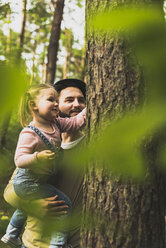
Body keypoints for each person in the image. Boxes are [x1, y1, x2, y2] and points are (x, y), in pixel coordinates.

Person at [2, 79, 86, 248]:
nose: (77, 105)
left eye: (81, 100)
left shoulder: (94, 146)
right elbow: (10, 191)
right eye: (69, 100)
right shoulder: (37, 141)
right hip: (33, 243)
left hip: (77, 243)